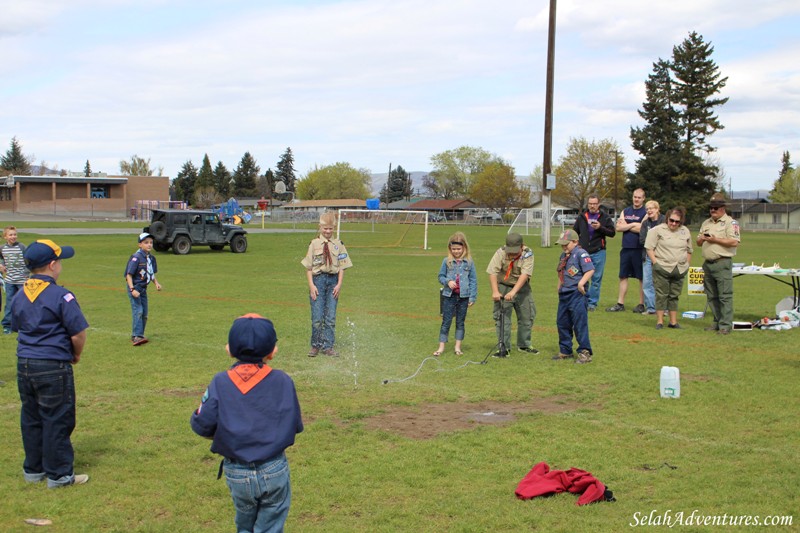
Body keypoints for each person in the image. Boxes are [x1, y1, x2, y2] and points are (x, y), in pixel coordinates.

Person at [191, 313, 304, 533]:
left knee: (244, 525)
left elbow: (203, 424)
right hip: (274, 467)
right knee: (270, 526)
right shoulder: (282, 380)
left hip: (237, 470)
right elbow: (294, 424)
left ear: (229, 350)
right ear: (272, 352)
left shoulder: (220, 381)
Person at [12, 239, 89, 488]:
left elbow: (17, 325)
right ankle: (59, 475)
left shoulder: (20, 293)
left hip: (25, 364)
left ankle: (34, 470)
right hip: (52, 365)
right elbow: (77, 333)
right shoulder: (61, 295)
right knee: (58, 418)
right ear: (52, 265)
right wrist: (75, 354)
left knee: (31, 416)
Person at [301, 212, 353, 357]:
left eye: (330, 229)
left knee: (330, 317)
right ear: (320, 227)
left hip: (333, 282)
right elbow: (309, 268)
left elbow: (342, 267)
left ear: (334, 228)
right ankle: (315, 345)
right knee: (317, 317)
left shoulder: (339, 245)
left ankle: (328, 346)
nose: (328, 231)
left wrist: (339, 285)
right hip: (318, 281)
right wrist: (311, 286)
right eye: (325, 228)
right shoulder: (314, 244)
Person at [486, 232, 538, 357]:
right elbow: (492, 272)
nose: (512, 254)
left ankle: (524, 345)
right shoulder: (501, 252)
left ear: (522, 246)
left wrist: (513, 292)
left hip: (521, 287)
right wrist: (495, 291)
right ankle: (504, 347)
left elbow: (525, 275)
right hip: (503, 285)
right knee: (502, 318)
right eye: (511, 251)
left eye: (515, 251)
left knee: (527, 316)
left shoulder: (528, 254)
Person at [697, 193, 740, 335]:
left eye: (715, 208)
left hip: (722, 262)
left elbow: (734, 242)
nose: (712, 210)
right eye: (711, 208)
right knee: (711, 295)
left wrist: (715, 240)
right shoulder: (706, 223)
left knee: (725, 295)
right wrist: (702, 239)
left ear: (723, 208)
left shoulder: (730, 223)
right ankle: (716, 321)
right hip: (708, 263)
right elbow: (697, 242)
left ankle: (725, 325)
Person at [645, 207, 692, 329]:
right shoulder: (657, 230)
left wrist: (687, 265)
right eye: (672, 220)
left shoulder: (685, 231)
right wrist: (655, 263)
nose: (674, 223)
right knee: (661, 294)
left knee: (674, 295)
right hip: (662, 267)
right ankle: (660, 321)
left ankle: (673, 322)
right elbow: (649, 248)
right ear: (667, 218)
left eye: (677, 222)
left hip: (679, 269)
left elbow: (689, 250)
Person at [553, 229, 595, 364]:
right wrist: (559, 286)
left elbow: (590, 270)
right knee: (562, 322)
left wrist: (581, 283)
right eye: (562, 244)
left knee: (579, 323)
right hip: (564, 294)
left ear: (575, 242)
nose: (564, 247)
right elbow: (562, 271)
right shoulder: (563, 256)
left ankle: (584, 352)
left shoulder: (581, 254)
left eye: (567, 244)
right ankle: (565, 350)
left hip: (577, 294)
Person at [434, 232, 477, 356]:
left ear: (464, 247)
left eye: (458, 249)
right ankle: (441, 347)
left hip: (464, 297)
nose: (456, 251)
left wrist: (472, 296)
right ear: (450, 249)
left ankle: (457, 347)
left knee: (460, 322)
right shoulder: (446, 261)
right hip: (449, 296)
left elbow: (473, 280)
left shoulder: (469, 262)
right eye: (453, 249)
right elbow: (440, 276)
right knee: (446, 321)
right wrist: (448, 281)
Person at [572, 195, 616, 311]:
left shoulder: (604, 217)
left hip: (598, 252)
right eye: (590, 203)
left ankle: (592, 304)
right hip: (583, 252)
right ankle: (581, 300)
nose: (592, 206)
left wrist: (600, 228)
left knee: (596, 279)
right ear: (588, 204)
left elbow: (612, 233)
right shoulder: (582, 217)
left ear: (598, 204)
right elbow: (574, 232)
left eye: (594, 204)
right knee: (580, 277)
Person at [606, 188, 647, 313]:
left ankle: (641, 304)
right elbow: (618, 227)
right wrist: (633, 224)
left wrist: (627, 225)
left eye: (639, 197)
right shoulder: (626, 210)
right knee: (623, 276)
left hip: (639, 248)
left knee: (641, 278)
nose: (636, 199)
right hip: (626, 248)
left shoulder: (646, 211)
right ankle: (620, 303)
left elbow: (643, 228)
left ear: (643, 198)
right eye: (635, 197)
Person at [124, 232, 162, 346]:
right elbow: (128, 275)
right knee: (138, 311)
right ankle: (136, 336)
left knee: (145, 313)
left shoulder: (151, 258)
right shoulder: (136, 258)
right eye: (146, 243)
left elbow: (149, 273)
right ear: (139, 244)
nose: (149, 245)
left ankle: (139, 334)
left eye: (151, 242)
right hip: (135, 288)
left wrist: (156, 283)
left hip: (143, 289)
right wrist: (132, 289)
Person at [0, 226, 29, 334]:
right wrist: (1, 265)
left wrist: (26, 274)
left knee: (23, 302)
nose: (13, 236)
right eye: (11, 235)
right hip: (9, 281)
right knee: (9, 303)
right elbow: (2, 258)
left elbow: (28, 260)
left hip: (22, 281)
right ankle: (7, 325)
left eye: (15, 234)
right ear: (5, 237)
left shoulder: (21, 247)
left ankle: (23, 324)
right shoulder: (2, 248)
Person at [638, 200, 665, 315]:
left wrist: (653, 243)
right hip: (647, 256)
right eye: (647, 209)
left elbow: (666, 238)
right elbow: (642, 240)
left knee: (662, 283)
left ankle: (664, 309)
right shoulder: (645, 224)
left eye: (651, 208)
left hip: (662, 256)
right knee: (647, 283)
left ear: (657, 209)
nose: (649, 211)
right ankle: (651, 308)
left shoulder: (664, 221)